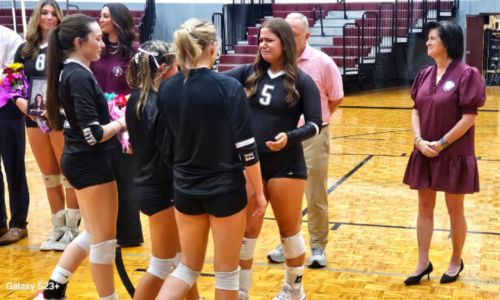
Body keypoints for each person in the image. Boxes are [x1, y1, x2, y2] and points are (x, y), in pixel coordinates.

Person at [155, 18, 266, 300]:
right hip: (225, 191)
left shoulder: (167, 89)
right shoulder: (228, 88)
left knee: (187, 268)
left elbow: (165, 146)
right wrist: (260, 194)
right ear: (212, 48)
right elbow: (247, 150)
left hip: (185, 190)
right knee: (227, 274)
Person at [224, 17, 322, 300]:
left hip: (287, 165)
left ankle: (294, 289)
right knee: (247, 230)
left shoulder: (302, 80)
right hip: (251, 164)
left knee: (289, 231)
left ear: (285, 43)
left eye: (269, 40)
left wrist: (289, 137)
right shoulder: (248, 72)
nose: (262, 45)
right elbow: (214, 83)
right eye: (260, 40)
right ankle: (241, 290)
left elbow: (316, 123)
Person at [36, 14, 125, 300]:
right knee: (104, 241)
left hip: (82, 161)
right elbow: (92, 134)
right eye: (97, 39)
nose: (102, 44)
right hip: (90, 164)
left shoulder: (72, 71)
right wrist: (123, 123)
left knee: (93, 233)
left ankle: (52, 291)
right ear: (79, 42)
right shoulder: (76, 75)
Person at [402, 21, 486, 285]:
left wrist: (442, 143)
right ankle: (422, 261)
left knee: (454, 210)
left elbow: (469, 117)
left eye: (433, 38)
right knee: (424, 206)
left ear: (448, 42)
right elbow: (415, 109)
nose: (427, 42)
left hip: (453, 154)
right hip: (424, 151)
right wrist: (418, 140)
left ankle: (455, 259)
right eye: (428, 38)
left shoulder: (467, 74)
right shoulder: (424, 74)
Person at [266, 12, 344, 268]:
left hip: (312, 137)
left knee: (315, 192)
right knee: (285, 194)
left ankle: (318, 246)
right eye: (284, 34)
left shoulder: (322, 63)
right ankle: (288, 242)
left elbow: (336, 98)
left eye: (294, 35)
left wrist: (314, 124)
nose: (287, 40)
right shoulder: (274, 63)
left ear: (307, 36)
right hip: (281, 138)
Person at [125, 40, 199, 300]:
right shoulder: (154, 103)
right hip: (160, 187)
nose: (179, 71)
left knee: (182, 263)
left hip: (150, 183)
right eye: (177, 66)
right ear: (164, 67)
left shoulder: (139, 96)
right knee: (162, 265)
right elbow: (169, 149)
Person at [11, 0, 80, 251]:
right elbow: (14, 79)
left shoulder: (64, 46)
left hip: (60, 116)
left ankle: (73, 230)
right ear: (37, 17)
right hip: (33, 117)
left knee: (68, 175)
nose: (49, 17)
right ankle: (58, 229)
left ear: (60, 17)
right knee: (49, 176)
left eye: (54, 13)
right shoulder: (25, 49)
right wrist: (20, 101)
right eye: (45, 13)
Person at [90, 3, 143, 247]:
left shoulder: (133, 51)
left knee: (126, 178)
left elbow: (140, 89)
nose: (100, 20)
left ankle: (130, 235)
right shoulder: (96, 48)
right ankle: (105, 232)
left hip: (124, 123)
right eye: (100, 16)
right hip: (98, 119)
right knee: (104, 177)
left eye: (105, 16)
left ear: (118, 20)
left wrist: (120, 106)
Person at [0, 25, 29, 246]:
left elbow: (13, 74)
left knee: (14, 167)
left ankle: (18, 222)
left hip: (7, 109)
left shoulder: (9, 37)